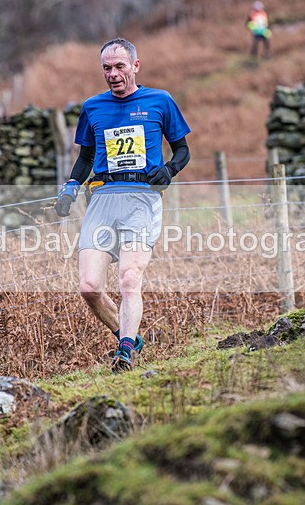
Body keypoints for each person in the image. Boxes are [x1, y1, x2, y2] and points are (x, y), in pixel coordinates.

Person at [54, 38, 191, 373]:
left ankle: (125, 353)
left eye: (119, 67)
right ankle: (127, 336)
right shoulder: (92, 107)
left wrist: (169, 171)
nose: (113, 74)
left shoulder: (160, 100)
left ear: (135, 66)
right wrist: (72, 185)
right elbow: (85, 158)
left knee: (129, 278)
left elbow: (183, 150)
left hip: (142, 199)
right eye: (106, 68)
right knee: (89, 288)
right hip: (102, 198)